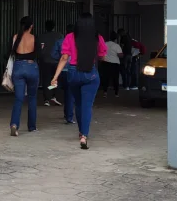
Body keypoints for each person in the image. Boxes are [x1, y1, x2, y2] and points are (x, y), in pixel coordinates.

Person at [51, 13, 107, 149]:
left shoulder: (70, 37)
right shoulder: (97, 38)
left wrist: (55, 76)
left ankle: (81, 131)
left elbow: (64, 57)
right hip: (90, 74)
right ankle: (84, 136)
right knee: (87, 106)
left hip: (73, 73)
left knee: (78, 104)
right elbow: (102, 56)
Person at [9, 16, 38, 136]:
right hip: (32, 68)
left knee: (18, 98)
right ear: (31, 26)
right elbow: (38, 55)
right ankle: (31, 126)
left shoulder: (15, 37)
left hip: (18, 67)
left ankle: (14, 125)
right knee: (32, 97)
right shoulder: (34, 38)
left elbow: (9, 53)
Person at [37, 20, 63, 107]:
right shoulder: (59, 36)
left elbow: (39, 50)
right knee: (55, 79)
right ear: (54, 27)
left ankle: (46, 99)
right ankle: (53, 95)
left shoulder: (41, 37)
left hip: (45, 62)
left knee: (46, 80)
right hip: (56, 62)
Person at [100, 31, 123, 98]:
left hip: (105, 63)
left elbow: (101, 52)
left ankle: (105, 92)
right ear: (115, 38)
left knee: (105, 78)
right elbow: (120, 55)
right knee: (115, 78)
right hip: (114, 64)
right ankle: (116, 93)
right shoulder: (116, 46)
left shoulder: (104, 44)